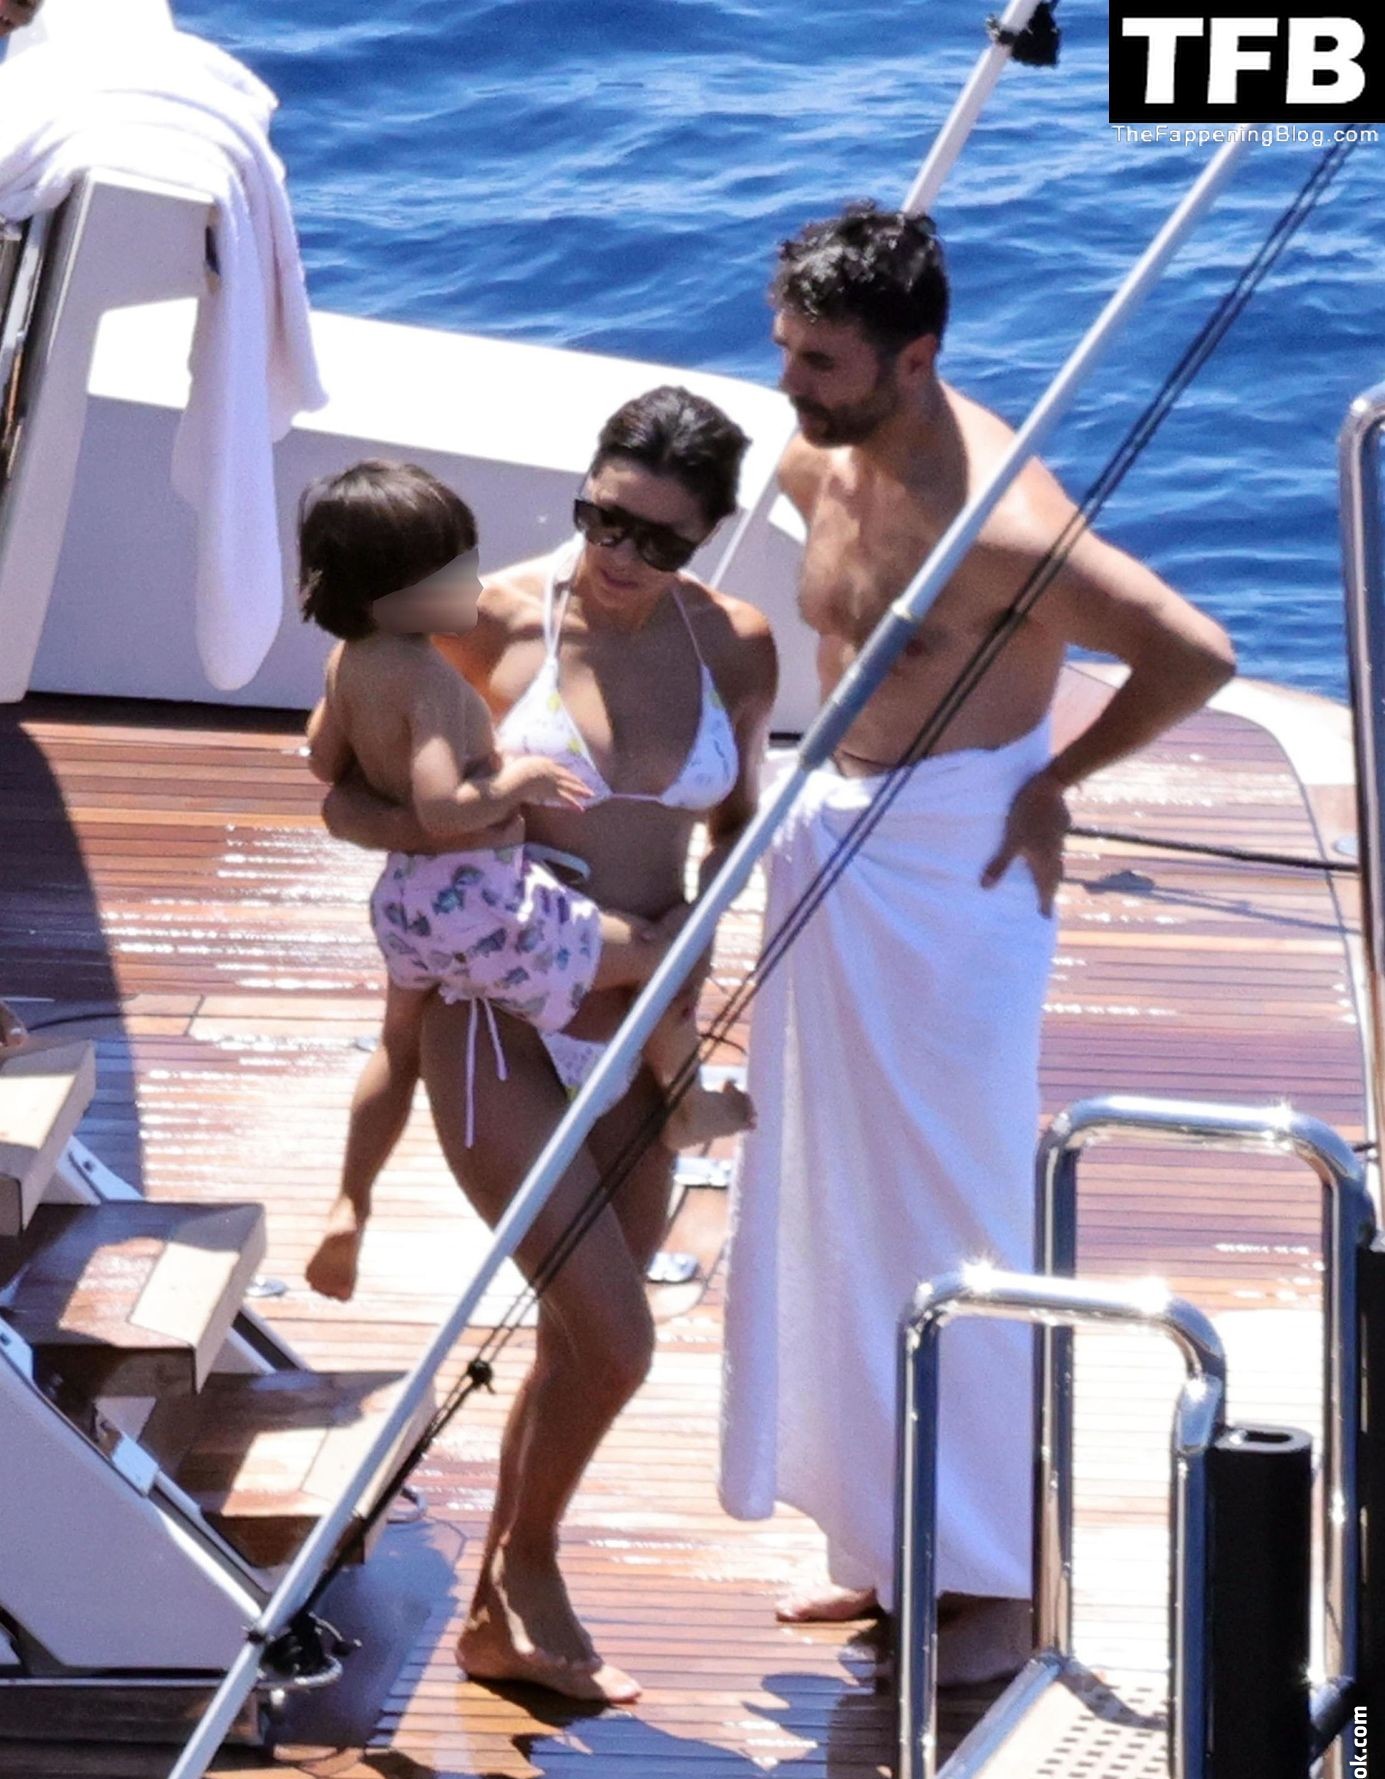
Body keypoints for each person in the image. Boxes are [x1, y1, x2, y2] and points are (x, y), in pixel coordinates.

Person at [718, 203, 1235, 1682]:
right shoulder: (814, 457)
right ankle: (889, 1540)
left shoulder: (1003, 527)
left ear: (914, 355)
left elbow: (1193, 652)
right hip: (840, 837)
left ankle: (1004, 1578)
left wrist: (1054, 782)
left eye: (819, 361)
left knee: (963, 1212)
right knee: (829, 1194)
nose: (789, 383)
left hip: (960, 866)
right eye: (786, 349)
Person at [316, 387, 777, 1702]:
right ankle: (527, 1568)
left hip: (635, 1027)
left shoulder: (735, 645)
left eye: (659, 540)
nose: (619, 556)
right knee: (618, 1336)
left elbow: (734, 819)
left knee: (585, 1335)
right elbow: (341, 788)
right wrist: (432, 833)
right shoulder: (484, 617)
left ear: (707, 538)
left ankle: (500, 1609)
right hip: (495, 1021)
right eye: (601, 518)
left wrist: (697, 947)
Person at [298, 460, 754, 1199]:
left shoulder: (348, 663)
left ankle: (352, 1200)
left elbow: (324, 761)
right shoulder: (430, 683)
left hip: (407, 904)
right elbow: (443, 807)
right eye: (458, 571)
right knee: (664, 954)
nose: (476, 586)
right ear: (400, 590)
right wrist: (519, 781)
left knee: (395, 1046)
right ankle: (689, 1102)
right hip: (479, 904)